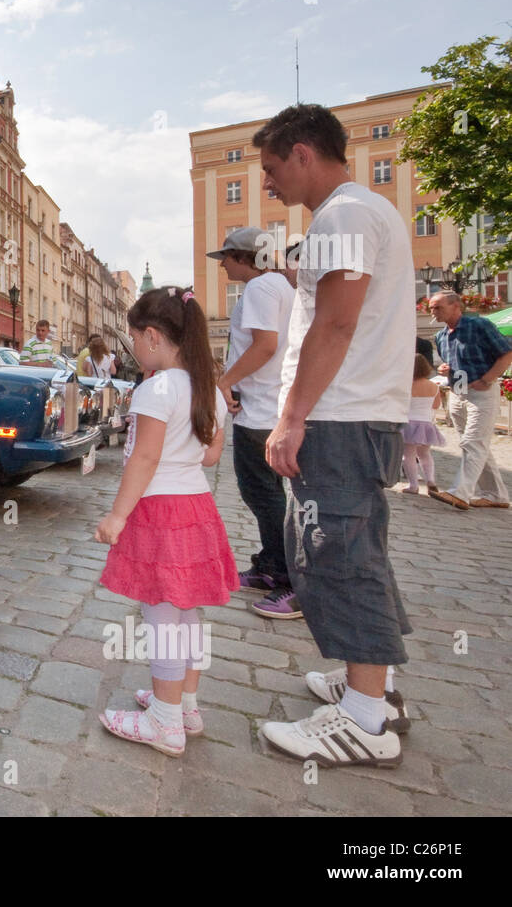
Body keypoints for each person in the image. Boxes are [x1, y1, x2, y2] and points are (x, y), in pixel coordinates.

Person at [255, 103, 416, 767]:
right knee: (352, 548)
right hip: (354, 411)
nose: (266, 184)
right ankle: (371, 683)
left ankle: (362, 719)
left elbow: (336, 323)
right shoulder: (358, 213)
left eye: (269, 169)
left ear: (301, 153)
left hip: (341, 416)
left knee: (337, 553)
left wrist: (292, 416)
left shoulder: (344, 214)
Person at [94, 286, 235, 757]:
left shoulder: (155, 389)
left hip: (160, 509)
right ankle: (183, 705)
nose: (132, 346)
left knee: (161, 616)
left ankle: (163, 722)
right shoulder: (208, 388)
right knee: (186, 611)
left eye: (134, 337)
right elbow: (212, 455)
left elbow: (145, 458)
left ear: (152, 336)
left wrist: (118, 515)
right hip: (196, 507)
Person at [208, 227, 297, 612]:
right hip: (269, 405)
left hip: (260, 410)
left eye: (226, 256)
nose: (223, 263)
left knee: (261, 493)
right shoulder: (280, 286)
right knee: (266, 494)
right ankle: (272, 564)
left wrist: (224, 382)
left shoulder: (261, 289)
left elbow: (265, 345)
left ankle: (288, 574)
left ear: (245, 257)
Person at [428, 290, 512, 510]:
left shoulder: (480, 326)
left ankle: (460, 493)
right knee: (477, 445)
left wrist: (488, 379)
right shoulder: (441, 336)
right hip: (457, 394)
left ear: (456, 306)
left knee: (472, 443)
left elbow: (507, 353)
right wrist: (444, 369)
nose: (432, 311)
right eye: (431, 307)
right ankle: (496, 495)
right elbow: (453, 364)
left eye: (438, 307)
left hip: (482, 394)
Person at [401, 353, 444, 495]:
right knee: (425, 454)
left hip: (409, 423)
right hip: (426, 423)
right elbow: (436, 405)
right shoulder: (434, 386)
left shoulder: (406, 385)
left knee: (409, 455)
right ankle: (430, 480)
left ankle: (413, 485)